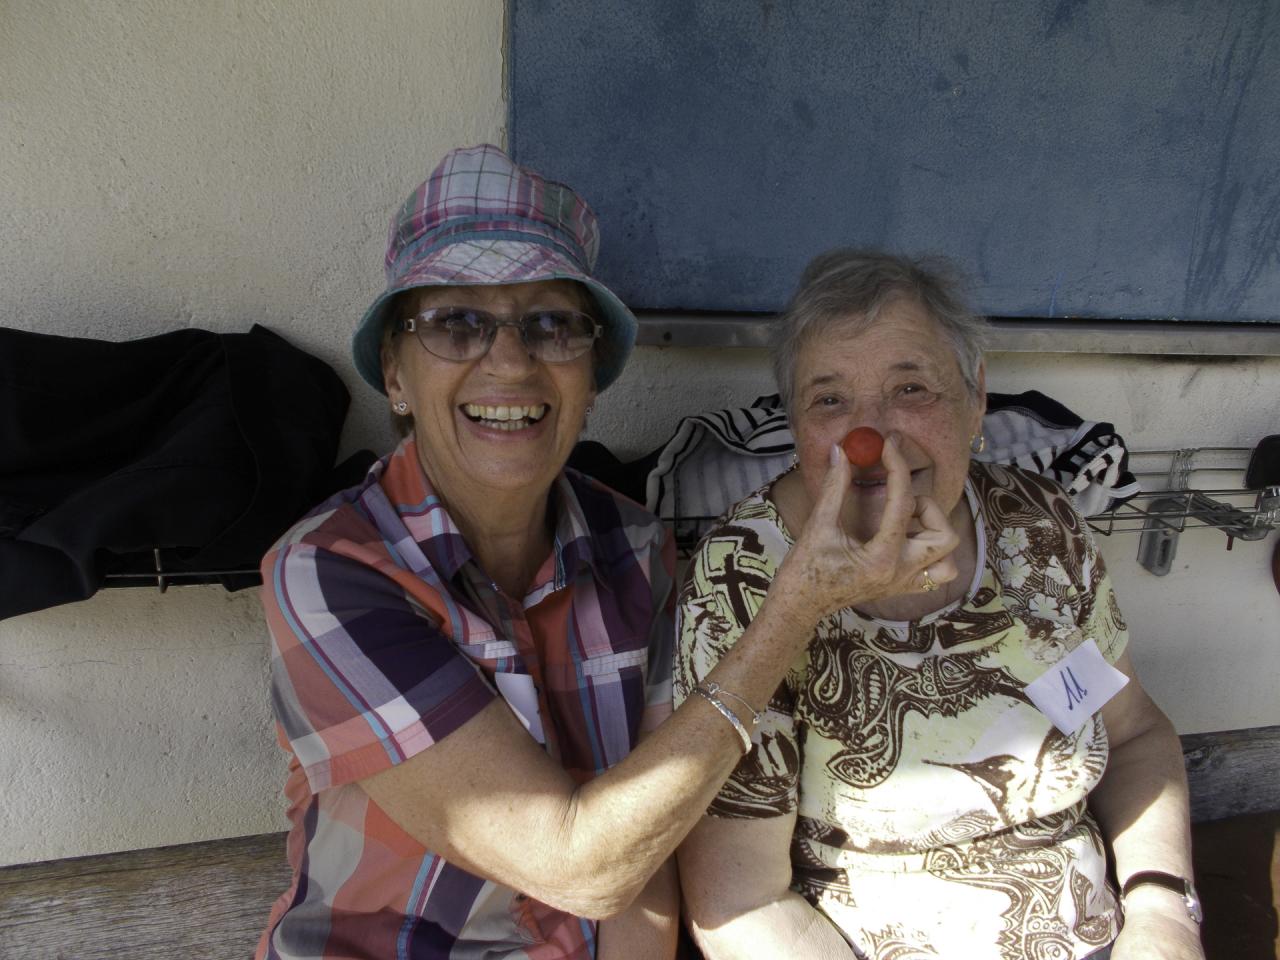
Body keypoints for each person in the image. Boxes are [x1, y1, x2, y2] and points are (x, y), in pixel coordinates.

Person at [255, 148, 957, 960]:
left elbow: (649, 844)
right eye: (456, 323)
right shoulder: (330, 573)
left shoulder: (638, 549)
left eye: (552, 324)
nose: (511, 361)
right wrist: (793, 610)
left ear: (590, 378)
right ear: (396, 375)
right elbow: (579, 869)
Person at [675, 250, 1205, 960]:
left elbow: (1135, 734)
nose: (872, 438)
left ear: (975, 396)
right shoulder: (743, 576)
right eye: (830, 400)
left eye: (910, 389)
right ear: (796, 423)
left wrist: (1163, 913)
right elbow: (740, 904)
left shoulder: (1038, 525)